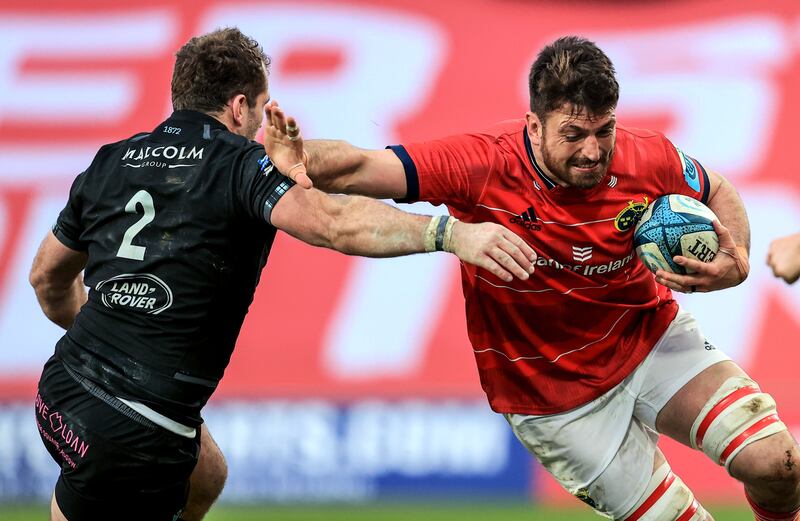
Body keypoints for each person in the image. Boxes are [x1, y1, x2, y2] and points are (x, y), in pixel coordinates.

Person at [266, 36, 800, 521]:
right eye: (572, 134)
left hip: (647, 337)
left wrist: (738, 256)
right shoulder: (479, 164)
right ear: (533, 125)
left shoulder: (647, 154)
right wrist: (298, 156)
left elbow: (717, 188)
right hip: (555, 401)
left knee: (778, 464)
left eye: (603, 131)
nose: (592, 151)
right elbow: (361, 167)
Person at [28, 27, 537, 521]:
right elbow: (335, 224)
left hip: (61, 389)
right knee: (141, 466)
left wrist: (103, 339)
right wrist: (452, 233)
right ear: (240, 106)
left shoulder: (110, 162)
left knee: (205, 472)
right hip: (138, 431)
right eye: (260, 108)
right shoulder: (239, 165)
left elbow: (45, 278)